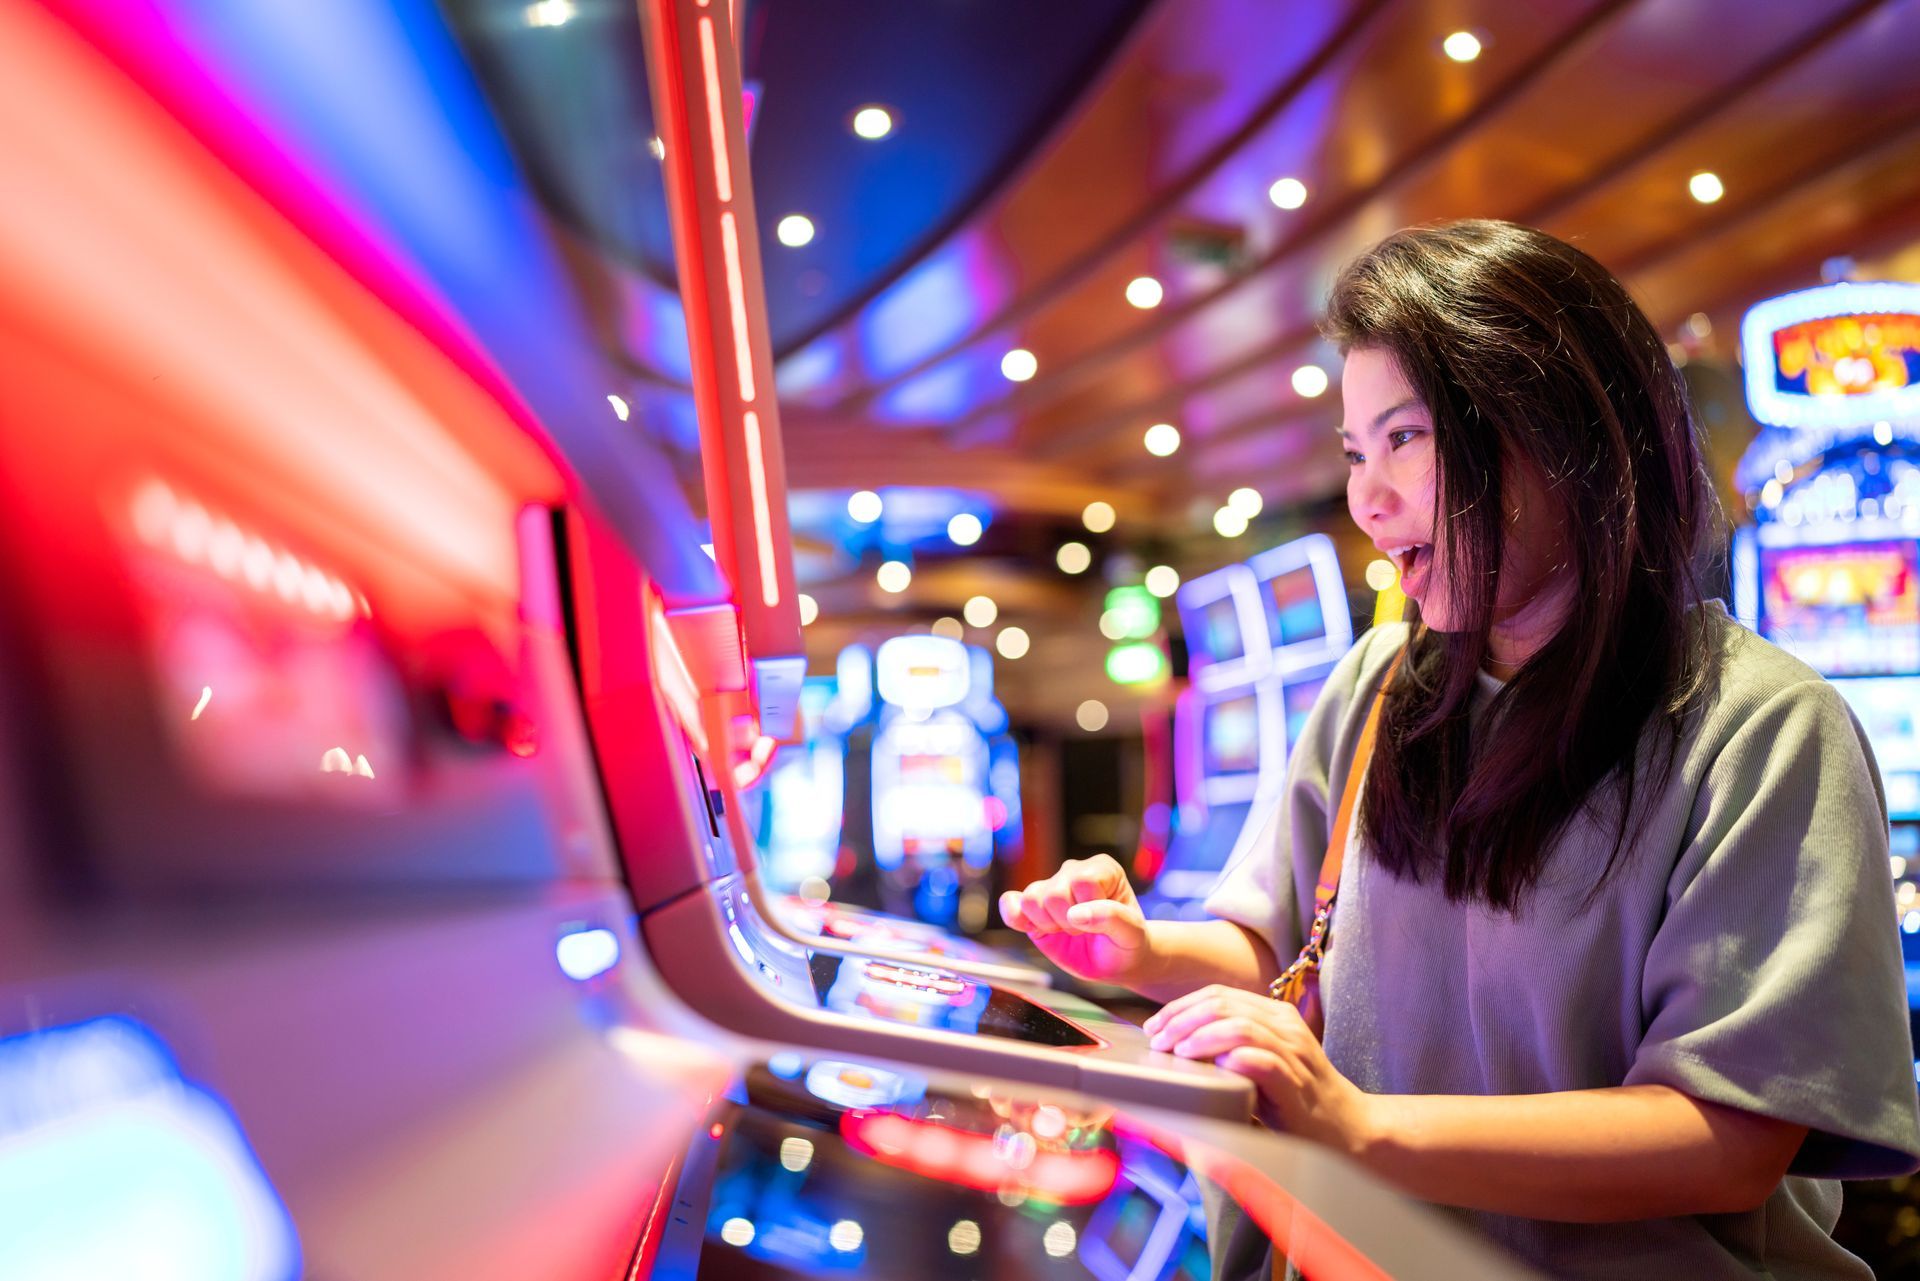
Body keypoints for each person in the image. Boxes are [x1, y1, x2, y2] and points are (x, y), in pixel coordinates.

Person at [1000, 220, 1920, 1278]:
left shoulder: (1760, 726)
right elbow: (1279, 947)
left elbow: (1731, 1141)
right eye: (1354, 453)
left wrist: (1361, 1127)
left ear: (1562, 433)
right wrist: (1138, 952)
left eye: (1405, 438)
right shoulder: (1378, 688)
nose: (1368, 500)